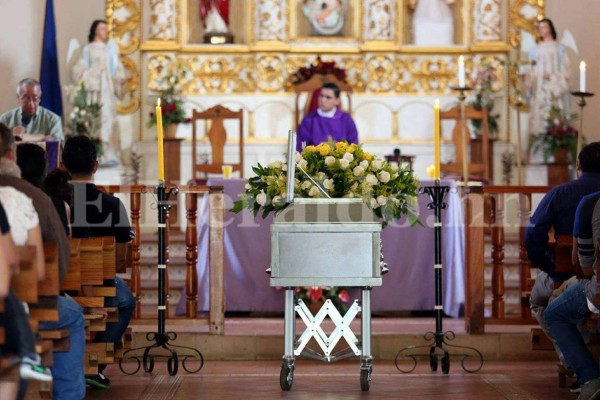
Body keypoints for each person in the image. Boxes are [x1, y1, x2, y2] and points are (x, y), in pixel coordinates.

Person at [0, 123, 86, 400]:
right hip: (21, 310)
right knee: (72, 314)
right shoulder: (30, 197)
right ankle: (68, 395)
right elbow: (55, 265)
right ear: (10, 155)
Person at [61, 136, 135, 389]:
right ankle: (94, 365)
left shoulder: (53, 202)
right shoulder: (112, 204)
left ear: (62, 166)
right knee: (126, 301)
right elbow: (120, 259)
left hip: (57, 284)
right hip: (99, 285)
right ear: (96, 166)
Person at [525, 142, 600, 369]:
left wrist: (550, 267)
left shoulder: (561, 194)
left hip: (568, 271)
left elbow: (533, 235)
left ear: (578, 165)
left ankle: (573, 358)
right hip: (592, 277)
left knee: (538, 301)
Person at [545, 191, 600, 400]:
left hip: (598, 291)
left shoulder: (590, 203)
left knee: (554, 314)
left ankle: (590, 378)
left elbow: (585, 270)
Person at [72, 19, 125, 165]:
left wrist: (119, 79)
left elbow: (116, 70)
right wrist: (92, 74)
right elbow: (78, 69)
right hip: (93, 90)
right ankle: (94, 152)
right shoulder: (87, 49)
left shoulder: (110, 50)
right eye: (102, 28)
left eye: (106, 29)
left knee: (107, 119)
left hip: (107, 89)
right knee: (94, 119)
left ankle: (107, 152)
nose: (105, 31)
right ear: (95, 30)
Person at [527, 18, 571, 145]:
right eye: (540, 28)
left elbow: (566, 72)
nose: (542, 30)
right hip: (540, 90)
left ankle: (556, 148)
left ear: (550, 28)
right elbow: (531, 71)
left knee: (555, 116)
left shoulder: (560, 49)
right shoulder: (534, 50)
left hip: (554, 90)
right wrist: (530, 79)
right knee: (539, 118)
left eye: (544, 27)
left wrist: (553, 77)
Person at [296, 82, 358, 151]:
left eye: (328, 97)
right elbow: (301, 146)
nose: (323, 100)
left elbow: (353, 145)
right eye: (321, 96)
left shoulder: (346, 119)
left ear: (337, 101)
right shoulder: (309, 119)